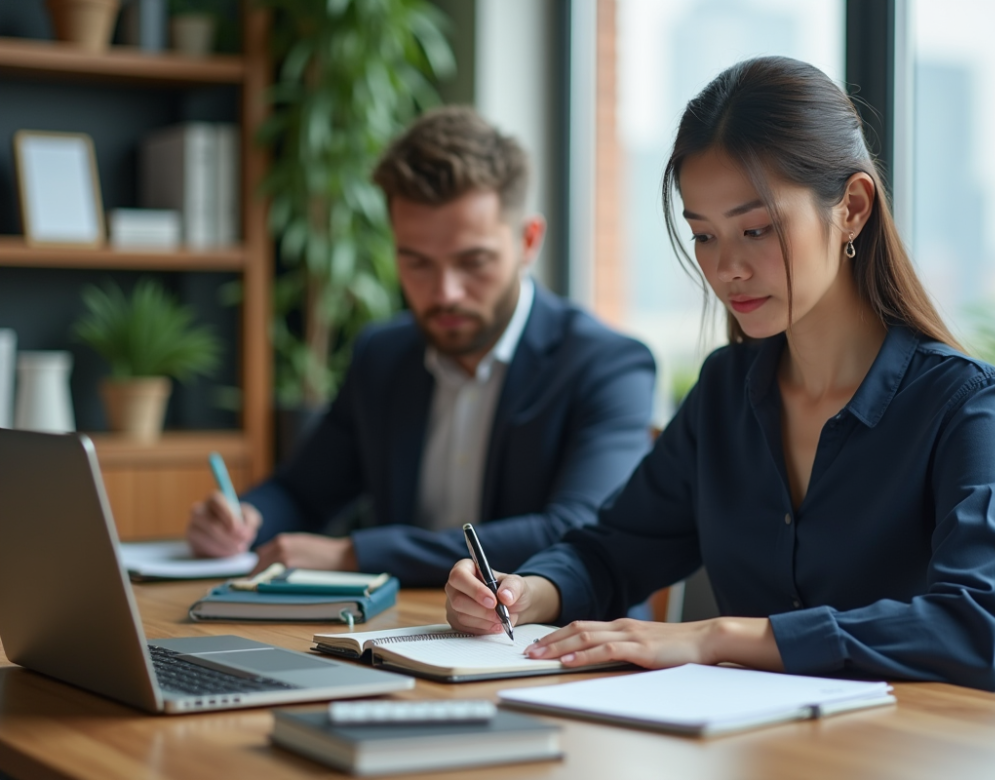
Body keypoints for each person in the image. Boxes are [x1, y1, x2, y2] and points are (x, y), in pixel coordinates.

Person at [444, 57, 995, 691]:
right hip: (749, 743)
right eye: (704, 236)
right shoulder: (727, 390)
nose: (727, 269)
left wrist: (720, 635)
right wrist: (527, 591)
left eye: (756, 229)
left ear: (853, 209)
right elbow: (615, 547)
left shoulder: (962, 404)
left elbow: (977, 629)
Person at [186, 106, 656, 586]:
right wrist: (244, 519)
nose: (445, 292)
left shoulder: (606, 364)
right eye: (417, 263)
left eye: (473, 261)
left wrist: (355, 554)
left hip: (555, 644)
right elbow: (303, 492)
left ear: (528, 240)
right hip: (403, 635)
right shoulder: (382, 355)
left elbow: (573, 532)